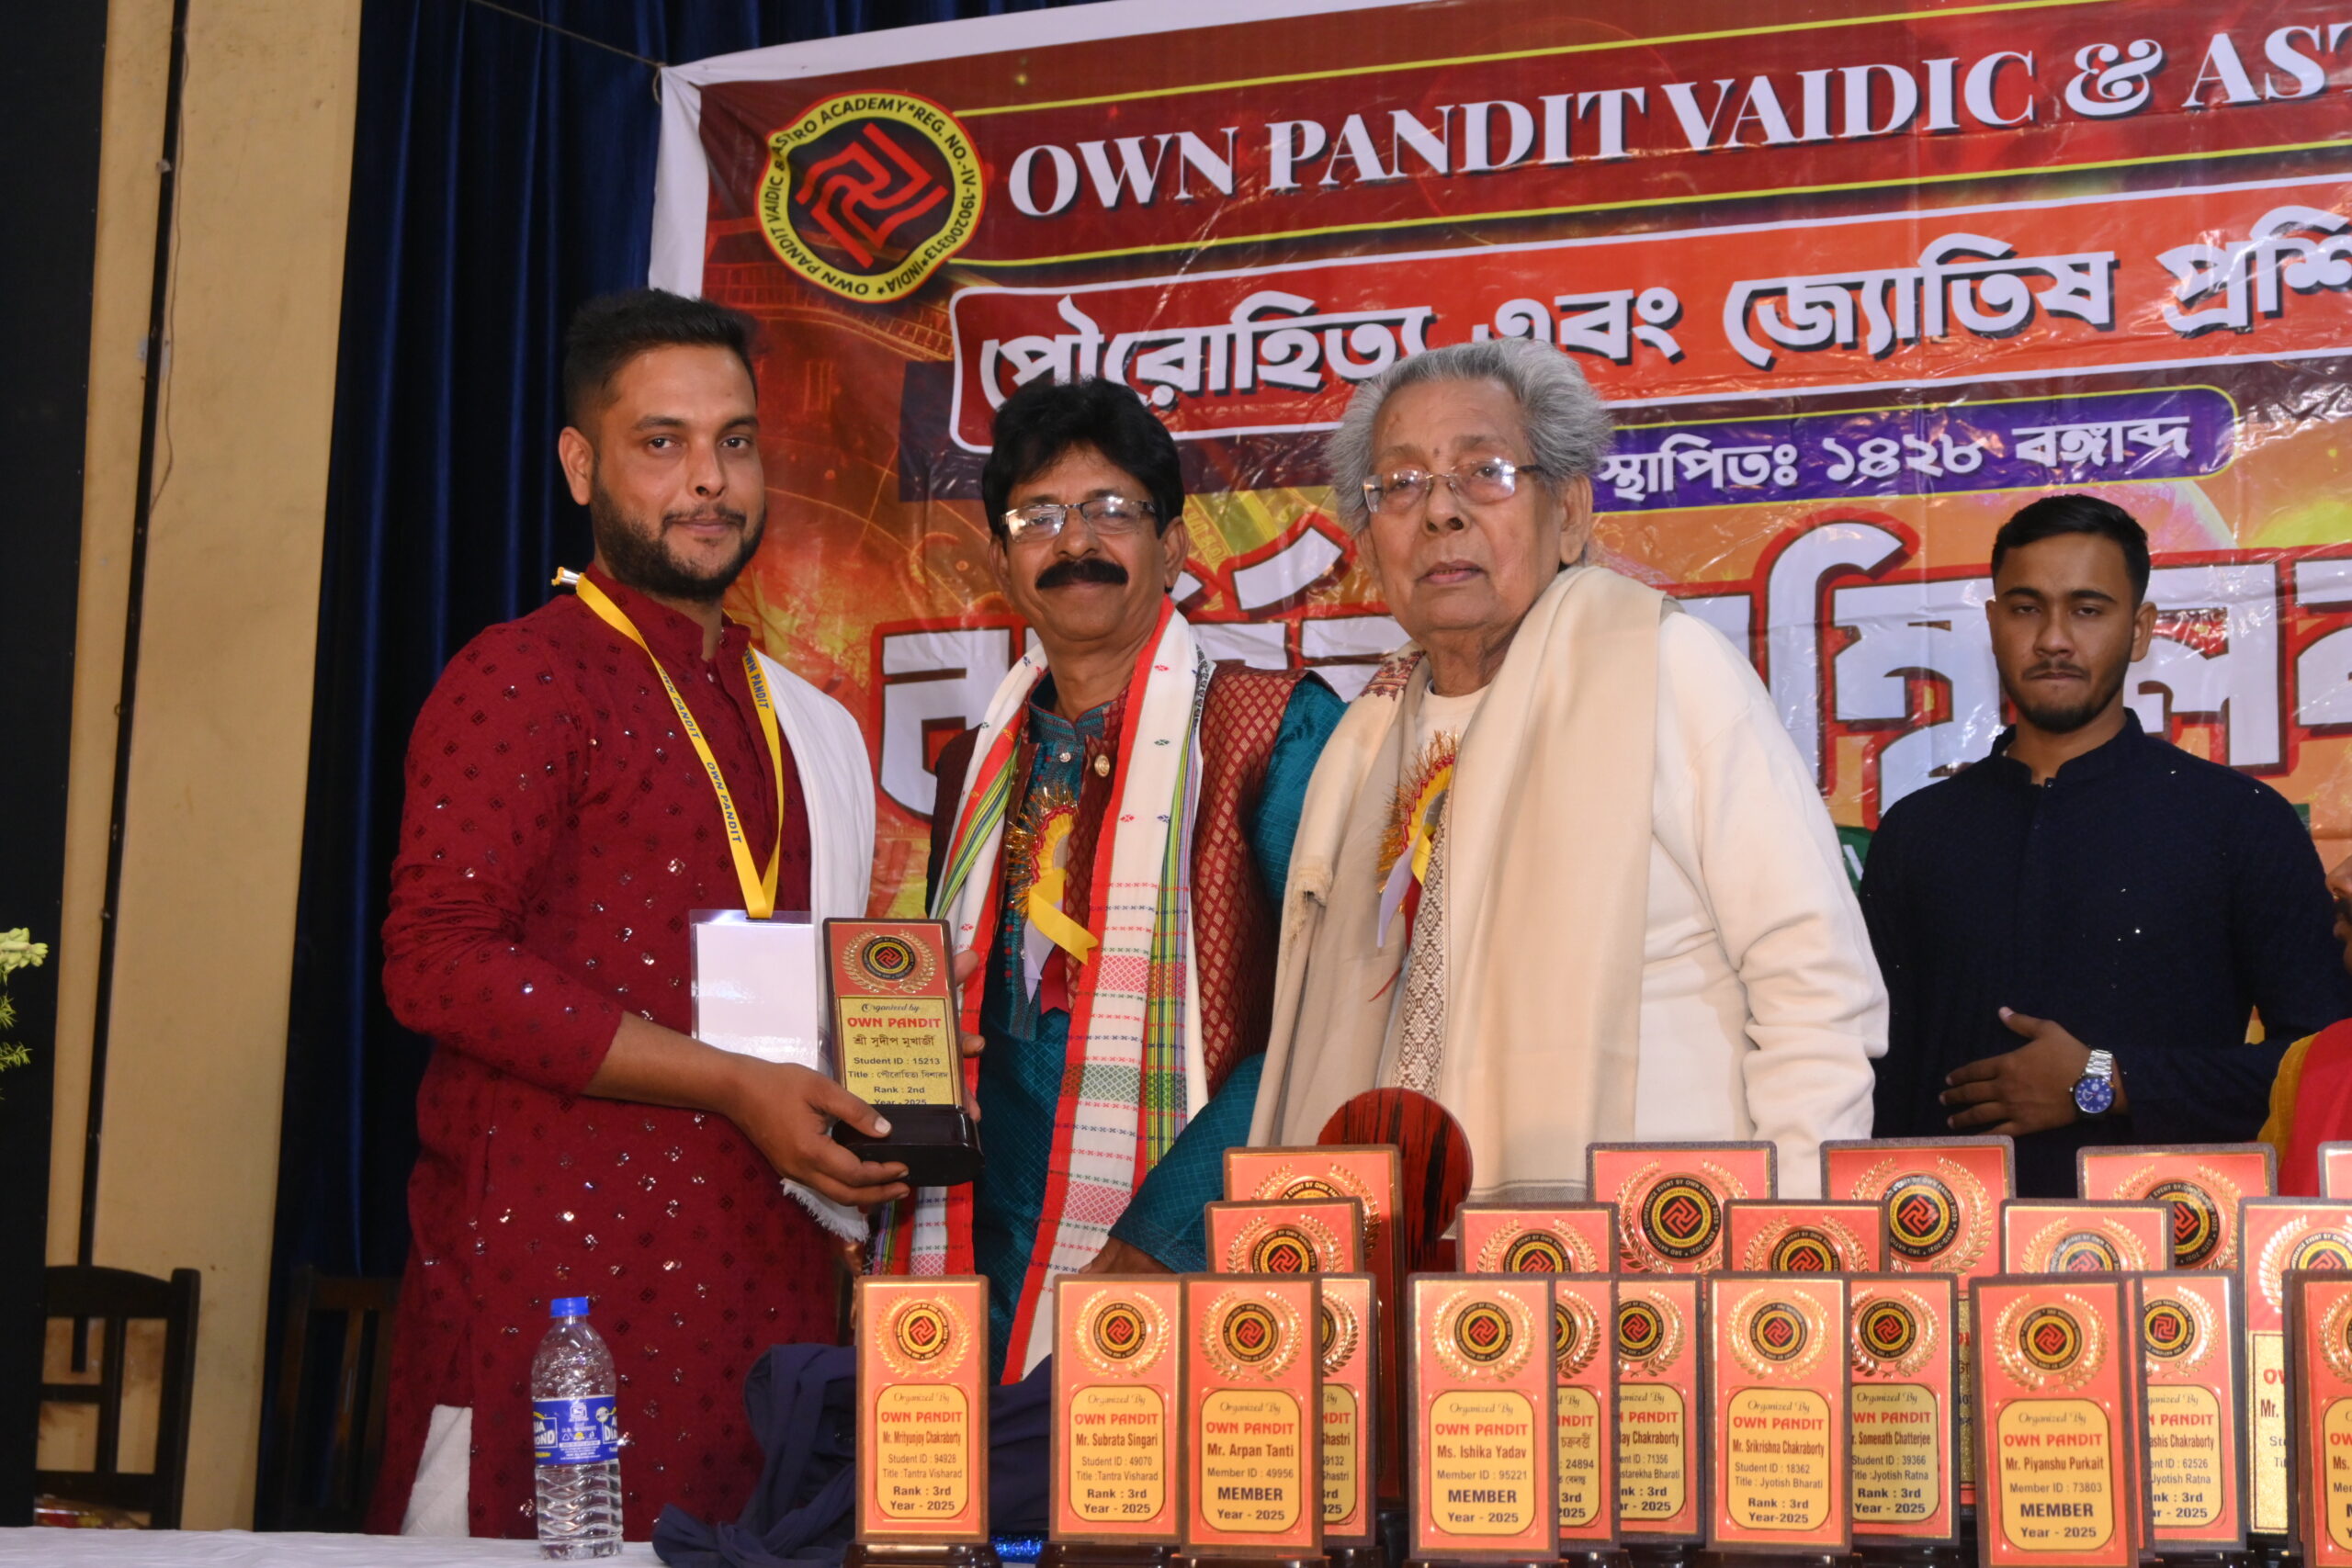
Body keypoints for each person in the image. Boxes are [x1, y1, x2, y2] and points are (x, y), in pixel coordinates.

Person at [370, 290, 910, 1537]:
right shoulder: (523, 675)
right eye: (661, 442)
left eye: (736, 441)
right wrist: (732, 1083)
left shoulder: (803, 721)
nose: (708, 479)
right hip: (557, 1299)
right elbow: (437, 962)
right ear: (581, 465)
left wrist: (891, 1068)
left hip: (767, 1290)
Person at [1248, 337, 1885, 1201]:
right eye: (1401, 483)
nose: (1440, 513)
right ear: (1367, 541)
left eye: (1485, 472)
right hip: (1404, 1259)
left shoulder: (1665, 670)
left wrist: (1790, 1238)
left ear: (1572, 512)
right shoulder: (1362, 744)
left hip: (1659, 1252)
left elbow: (1815, 990)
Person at [903, 376, 1343, 1381]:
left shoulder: (1271, 730)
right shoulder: (972, 769)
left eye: (1110, 510)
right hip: (981, 1255)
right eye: (1039, 517)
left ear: (1173, 547)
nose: (1075, 543)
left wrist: (1162, 1234)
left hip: (1195, 1253)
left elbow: (1332, 1015)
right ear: (1001, 561)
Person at [1862, 492, 2352, 1196]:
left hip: (2172, 1246)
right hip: (1942, 1238)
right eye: (2026, 608)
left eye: (2088, 609)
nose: (2054, 638)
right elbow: (1872, 1075)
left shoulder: (2240, 822)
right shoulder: (1916, 832)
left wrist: (2108, 1080)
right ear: (1994, 623)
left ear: (2141, 629)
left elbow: (2327, 1071)